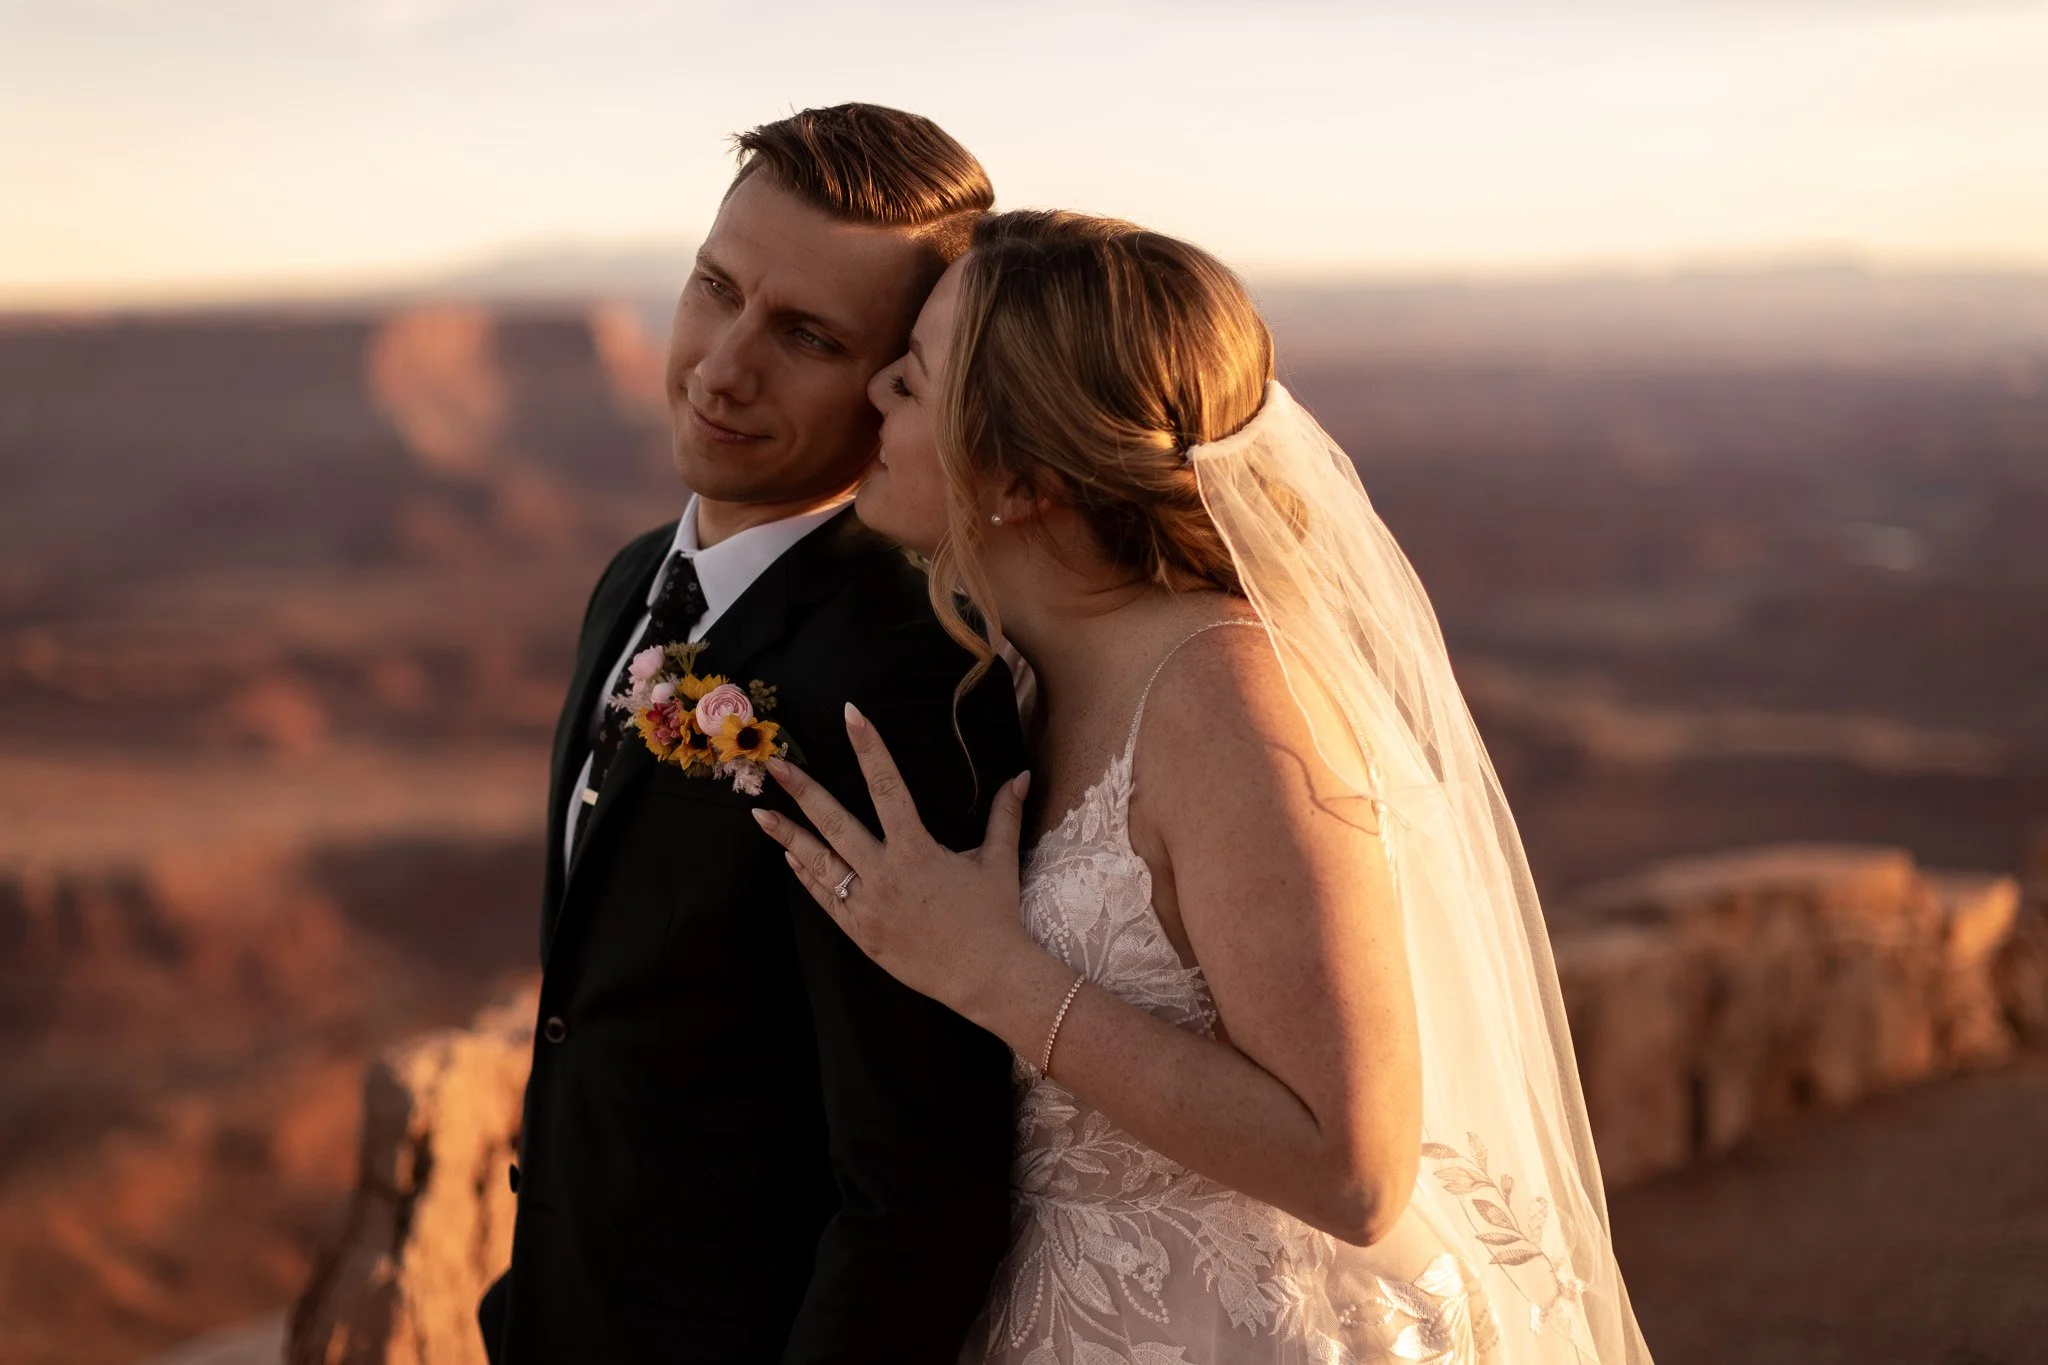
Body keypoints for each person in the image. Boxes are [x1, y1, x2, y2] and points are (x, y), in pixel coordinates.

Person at [753, 212, 1652, 1364]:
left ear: (1022, 480)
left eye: (915, 380)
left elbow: (1352, 1165)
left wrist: (989, 974)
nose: (874, 387)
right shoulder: (1026, 668)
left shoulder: (1225, 707)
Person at [478, 106, 1026, 1364]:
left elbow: (914, 1196)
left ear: (899, 384)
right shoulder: (630, 582)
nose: (723, 366)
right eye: (715, 288)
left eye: (806, 336)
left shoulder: (900, 682)